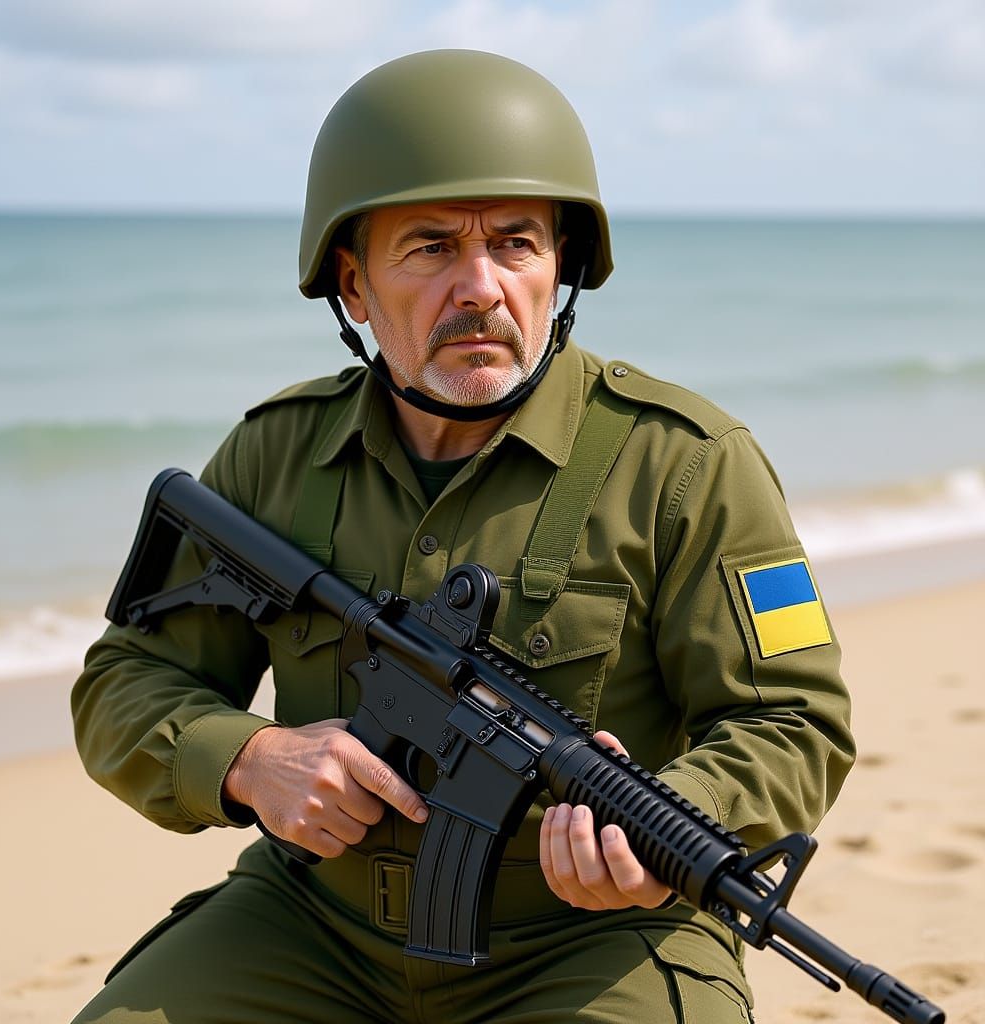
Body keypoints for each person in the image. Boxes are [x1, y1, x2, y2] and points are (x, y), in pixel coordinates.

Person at [71, 49, 855, 1024]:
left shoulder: (689, 462)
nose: (480, 286)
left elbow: (794, 721)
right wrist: (247, 757)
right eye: (432, 246)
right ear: (353, 286)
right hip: (314, 924)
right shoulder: (275, 454)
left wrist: (662, 827)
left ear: (560, 267)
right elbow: (126, 678)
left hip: (590, 939)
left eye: (516, 244)